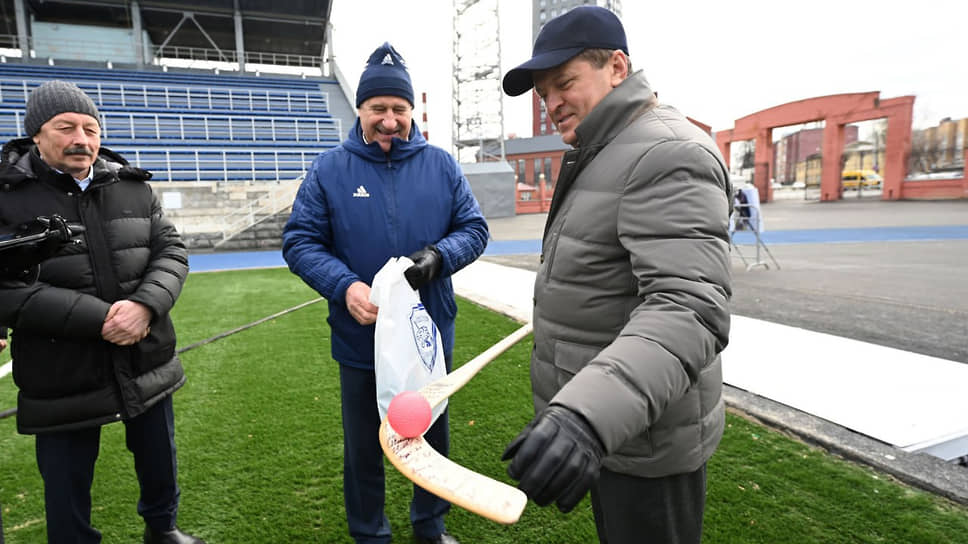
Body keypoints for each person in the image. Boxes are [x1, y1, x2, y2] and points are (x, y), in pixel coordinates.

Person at [500, 6, 732, 544]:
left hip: (641, 437)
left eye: (564, 83)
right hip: (615, 429)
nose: (552, 103)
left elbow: (690, 308)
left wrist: (586, 416)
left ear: (618, 67)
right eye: (544, 94)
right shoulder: (602, 148)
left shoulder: (666, 149)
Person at [282, 42, 488, 544]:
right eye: (379, 109)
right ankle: (369, 533)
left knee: (431, 435)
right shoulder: (330, 169)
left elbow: (474, 229)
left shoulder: (441, 165)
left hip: (429, 334)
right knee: (364, 446)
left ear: (411, 109)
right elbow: (300, 241)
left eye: (398, 109)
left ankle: (430, 528)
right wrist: (344, 285)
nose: (390, 120)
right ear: (360, 110)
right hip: (360, 334)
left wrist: (437, 258)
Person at [0, 80, 204, 544]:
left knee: (158, 454)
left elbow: (171, 250)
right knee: (67, 476)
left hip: (145, 355)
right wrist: (104, 319)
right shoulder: (6, 196)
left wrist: (145, 305)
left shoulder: (131, 186)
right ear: (36, 133)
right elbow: (5, 287)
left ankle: (162, 527)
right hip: (60, 368)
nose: (82, 139)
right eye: (65, 127)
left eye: (91, 128)